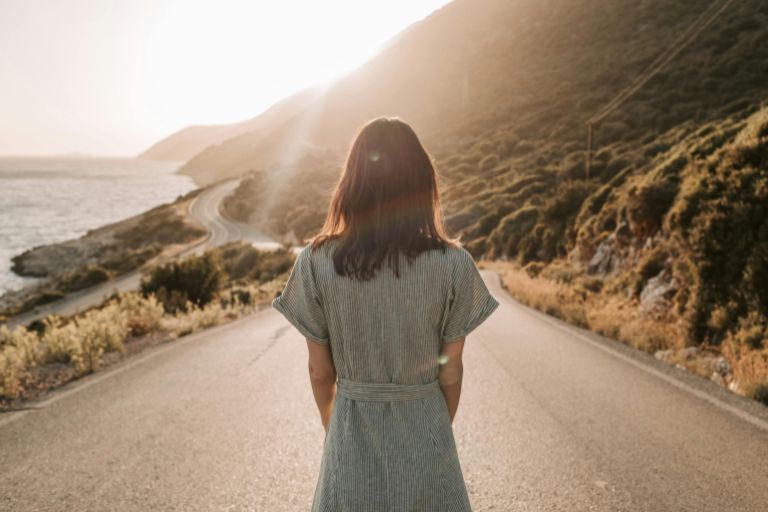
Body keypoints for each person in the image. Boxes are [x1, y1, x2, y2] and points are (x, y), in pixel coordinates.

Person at [272, 116, 500, 511]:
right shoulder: (454, 264)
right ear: (422, 183)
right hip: (426, 430)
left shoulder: (315, 261)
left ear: (352, 182)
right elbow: (451, 369)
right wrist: (433, 428)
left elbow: (320, 372)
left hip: (351, 432)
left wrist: (338, 429)